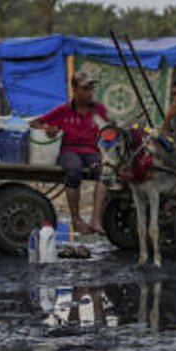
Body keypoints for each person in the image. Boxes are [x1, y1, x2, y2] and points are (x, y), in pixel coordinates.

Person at [30, 71, 109, 234]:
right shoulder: (63, 110)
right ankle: (76, 219)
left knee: (103, 172)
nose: (89, 92)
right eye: (85, 88)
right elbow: (34, 123)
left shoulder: (98, 109)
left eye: (91, 88)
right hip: (69, 150)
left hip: (91, 151)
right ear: (74, 89)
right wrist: (48, 129)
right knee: (73, 170)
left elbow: (108, 130)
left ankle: (96, 219)